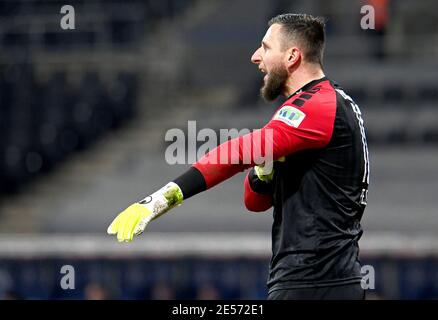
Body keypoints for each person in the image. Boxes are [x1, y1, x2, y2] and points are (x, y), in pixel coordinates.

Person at [107, 13, 370, 300]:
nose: (256, 57)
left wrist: (158, 201)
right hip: (325, 281)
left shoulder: (317, 105)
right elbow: (254, 201)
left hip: (312, 284)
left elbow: (238, 152)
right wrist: (263, 173)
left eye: (266, 47)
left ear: (293, 56)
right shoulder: (325, 104)